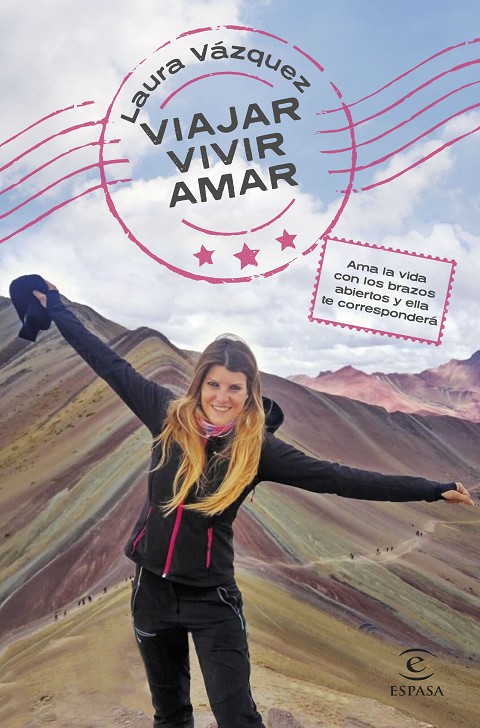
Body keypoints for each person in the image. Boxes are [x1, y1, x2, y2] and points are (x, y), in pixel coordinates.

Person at [23, 279, 473, 728]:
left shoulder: (258, 450)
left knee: (237, 718)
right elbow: (107, 362)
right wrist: (56, 305)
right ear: (199, 384)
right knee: (171, 715)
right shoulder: (166, 416)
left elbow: (340, 478)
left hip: (212, 598)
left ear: (249, 392)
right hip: (151, 593)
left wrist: (432, 488)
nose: (222, 398)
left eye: (234, 388)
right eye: (214, 385)